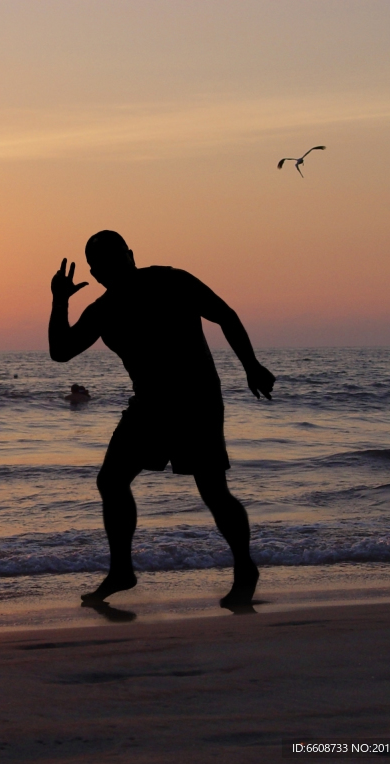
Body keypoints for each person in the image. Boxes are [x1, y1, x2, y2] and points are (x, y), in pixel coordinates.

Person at [49, 230, 276, 608]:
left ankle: (244, 569)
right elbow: (61, 352)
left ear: (131, 256)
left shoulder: (172, 280)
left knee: (213, 490)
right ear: (96, 272)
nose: (110, 269)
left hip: (196, 400)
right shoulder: (103, 310)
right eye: (101, 264)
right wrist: (59, 301)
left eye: (116, 258)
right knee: (112, 480)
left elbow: (226, 315)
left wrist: (251, 366)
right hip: (149, 405)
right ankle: (121, 570)